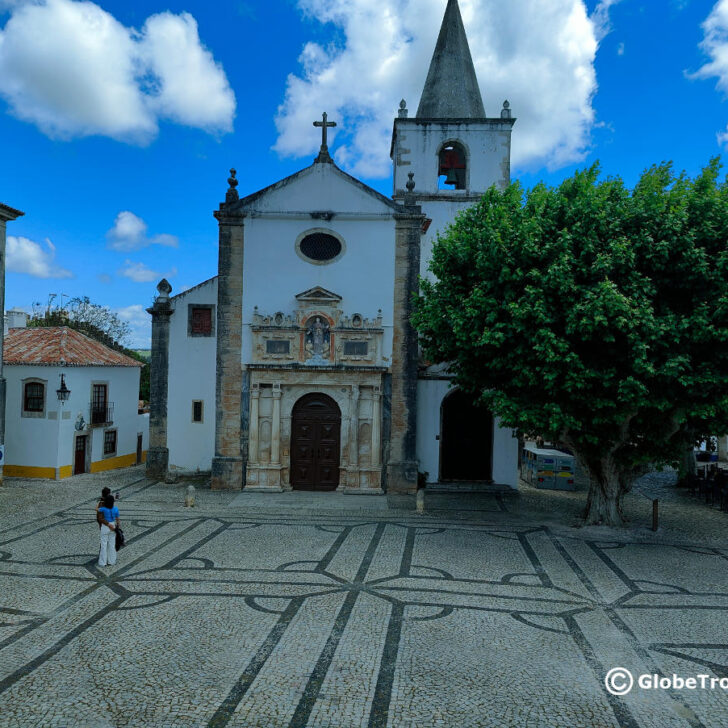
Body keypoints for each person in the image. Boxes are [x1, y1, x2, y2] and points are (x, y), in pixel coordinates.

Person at [98, 494, 120, 567]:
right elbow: (117, 519)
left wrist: (101, 502)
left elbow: (96, 509)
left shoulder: (103, 509)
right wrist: (117, 527)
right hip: (113, 525)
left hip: (105, 526)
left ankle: (102, 562)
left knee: (104, 544)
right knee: (112, 544)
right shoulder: (116, 509)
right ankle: (112, 561)